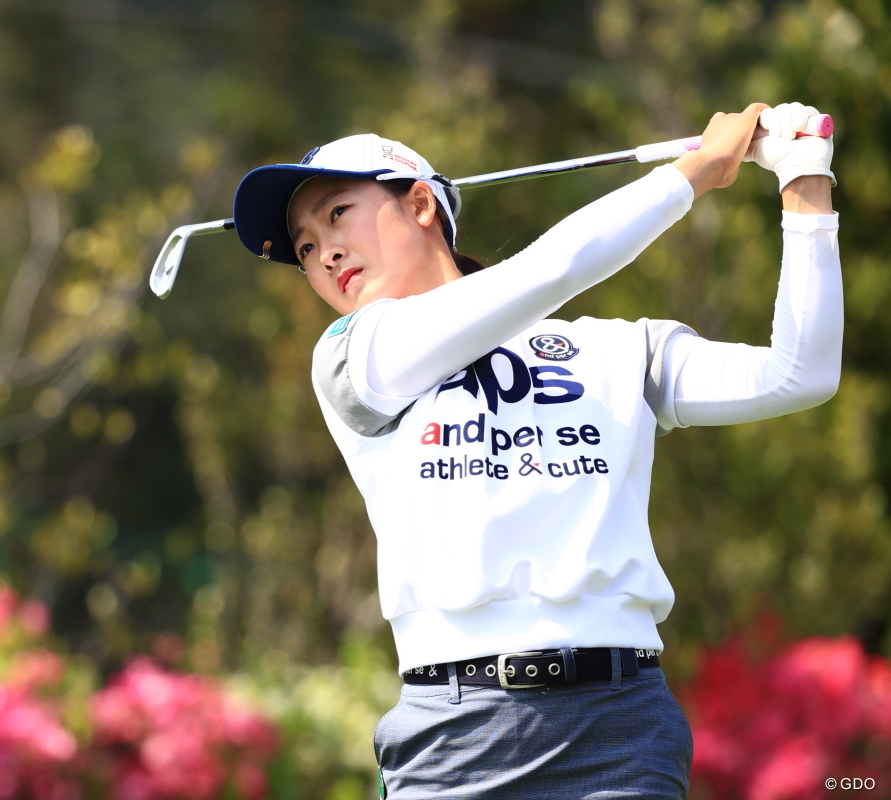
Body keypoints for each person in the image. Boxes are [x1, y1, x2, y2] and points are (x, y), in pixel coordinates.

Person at [229, 102, 840, 798]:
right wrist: (697, 172)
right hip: (453, 738)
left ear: (421, 203)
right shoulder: (354, 357)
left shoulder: (616, 350)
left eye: (337, 214)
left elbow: (801, 375)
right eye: (304, 248)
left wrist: (804, 177)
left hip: (620, 732)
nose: (324, 252)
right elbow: (551, 271)